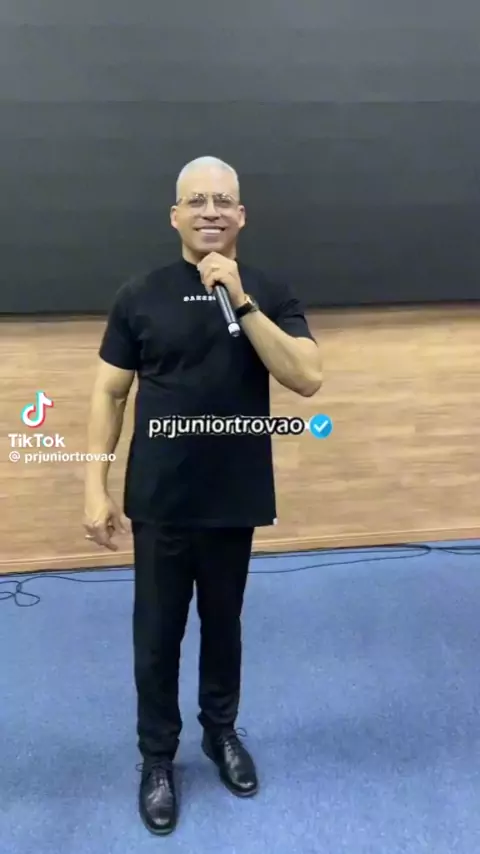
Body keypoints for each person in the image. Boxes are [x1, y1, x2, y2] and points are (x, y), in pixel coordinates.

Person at [83, 156, 322, 835]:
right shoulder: (140, 294)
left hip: (233, 495)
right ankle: (158, 757)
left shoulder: (268, 291)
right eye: (196, 200)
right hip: (161, 498)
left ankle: (220, 733)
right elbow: (109, 392)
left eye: (222, 201)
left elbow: (307, 377)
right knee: (157, 636)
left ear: (241, 215)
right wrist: (93, 485)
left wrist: (242, 301)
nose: (210, 211)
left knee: (224, 626)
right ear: (175, 215)